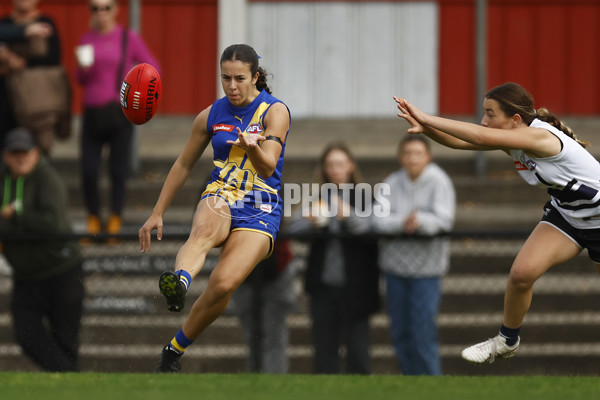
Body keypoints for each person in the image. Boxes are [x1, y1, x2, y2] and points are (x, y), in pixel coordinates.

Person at [395, 82, 600, 365]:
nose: (484, 121)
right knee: (521, 274)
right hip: (567, 214)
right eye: (484, 113)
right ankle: (506, 341)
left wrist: (428, 116)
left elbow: (478, 137)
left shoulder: (541, 138)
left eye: (490, 114)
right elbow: (462, 142)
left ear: (516, 120)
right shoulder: (513, 140)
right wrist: (426, 129)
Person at [139, 43, 291, 373]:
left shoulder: (274, 111)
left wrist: (252, 149)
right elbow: (183, 164)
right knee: (203, 233)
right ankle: (179, 282)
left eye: (239, 78)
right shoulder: (210, 115)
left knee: (223, 285)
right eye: (225, 78)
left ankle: (173, 350)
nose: (232, 87)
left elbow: (268, 168)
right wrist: (157, 212)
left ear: (255, 77)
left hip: (261, 205)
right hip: (220, 192)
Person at [287, 142, 380, 374]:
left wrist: (348, 216)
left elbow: (376, 227)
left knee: (358, 351)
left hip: (358, 287)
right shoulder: (317, 197)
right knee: (324, 350)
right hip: (323, 285)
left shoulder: (366, 197)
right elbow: (295, 228)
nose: (335, 169)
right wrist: (312, 222)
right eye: (330, 165)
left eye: (339, 164)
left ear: (350, 166)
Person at [0, 127, 84, 372]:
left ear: (36, 153)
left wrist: (15, 216)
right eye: (15, 153)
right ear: (6, 156)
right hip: (26, 277)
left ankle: (68, 382)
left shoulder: (48, 179)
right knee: (26, 335)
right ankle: (67, 375)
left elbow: (53, 224)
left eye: (25, 152)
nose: (21, 158)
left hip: (62, 272)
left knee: (66, 339)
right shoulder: (3, 180)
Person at [76, 0, 159, 242]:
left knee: (117, 169)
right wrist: (83, 67)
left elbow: (152, 67)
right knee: (89, 169)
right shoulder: (86, 39)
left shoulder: (127, 37)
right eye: (95, 8)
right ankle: (93, 217)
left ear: (115, 10)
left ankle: (114, 219)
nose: (101, 13)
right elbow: (80, 78)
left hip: (118, 113)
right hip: (92, 112)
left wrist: (138, 91)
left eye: (106, 7)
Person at [372, 135, 455, 375]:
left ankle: (430, 384)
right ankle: (407, 382)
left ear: (428, 156)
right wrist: (402, 223)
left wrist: (419, 222)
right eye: (408, 153)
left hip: (427, 271)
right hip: (394, 269)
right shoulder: (391, 182)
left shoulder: (439, 181)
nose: (412, 158)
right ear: (400, 157)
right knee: (400, 332)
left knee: (423, 332)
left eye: (418, 153)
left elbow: (444, 220)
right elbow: (377, 219)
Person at [0, 0, 61, 153]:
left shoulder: (46, 22)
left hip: (36, 101)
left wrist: (23, 62)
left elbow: (54, 58)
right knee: (6, 148)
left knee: (38, 149)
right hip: (6, 99)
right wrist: (8, 61)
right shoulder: (4, 23)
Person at [231, 237, 296, 373]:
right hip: (242, 274)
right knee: (252, 335)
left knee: (274, 336)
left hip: (276, 274)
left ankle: (274, 383)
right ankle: (255, 381)